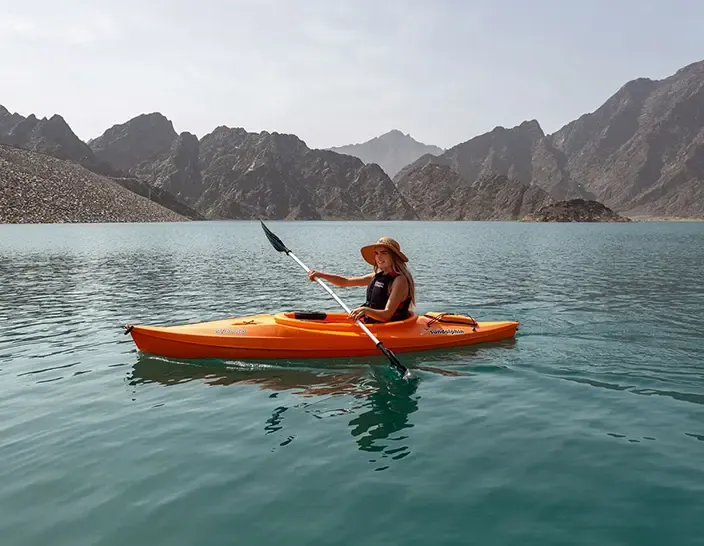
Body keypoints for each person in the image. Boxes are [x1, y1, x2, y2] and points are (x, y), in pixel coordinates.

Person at [307, 236, 416, 323]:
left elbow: (386, 315)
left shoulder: (399, 281)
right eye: (376, 253)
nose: (379, 257)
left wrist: (365, 310)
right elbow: (345, 282)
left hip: (390, 327)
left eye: (384, 253)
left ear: (394, 256)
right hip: (371, 323)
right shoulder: (378, 276)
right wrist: (321, 275)